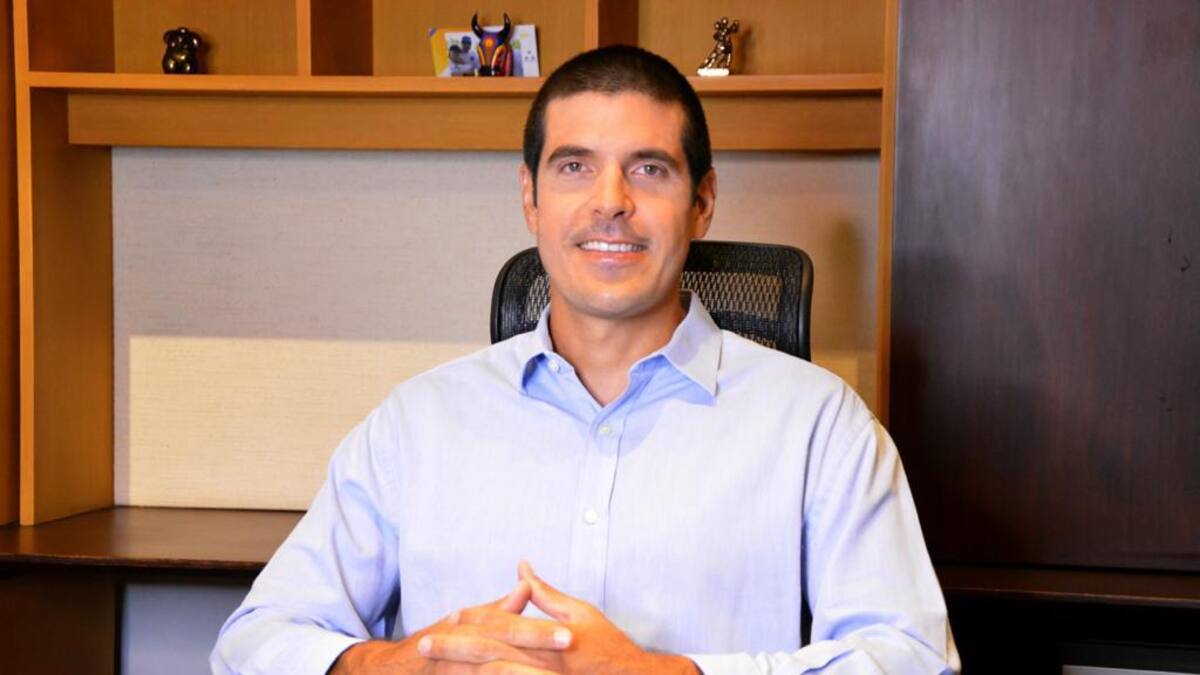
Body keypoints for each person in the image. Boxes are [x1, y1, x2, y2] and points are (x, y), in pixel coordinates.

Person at [212, 45, 959, 675]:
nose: (610, 202)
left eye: (648, 169)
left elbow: (913, 658)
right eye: (574, 166)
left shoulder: (820, 425)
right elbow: (254, 640)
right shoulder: (416, 422)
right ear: (530, 197)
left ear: (702, 203)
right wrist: (395, 663)